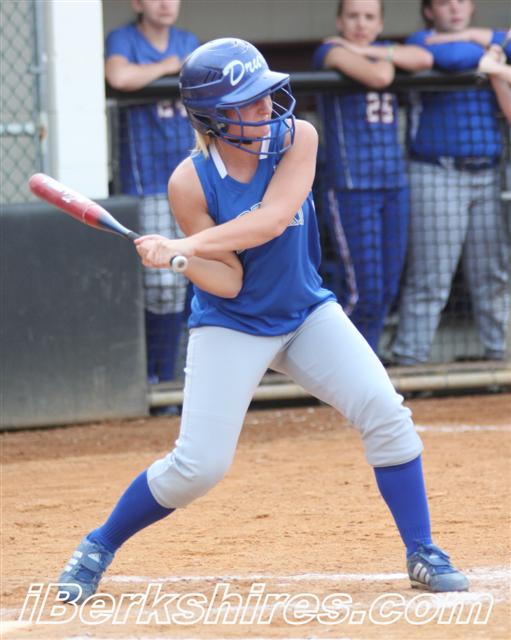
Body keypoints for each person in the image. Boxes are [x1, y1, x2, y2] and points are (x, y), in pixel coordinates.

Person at [57, 38, 468, 604]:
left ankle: (422, 550)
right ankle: (99, 544)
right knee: (198, 468)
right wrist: (180, 260)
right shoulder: (190, 182)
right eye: (246, 102)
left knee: (386, 413)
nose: (264, 108)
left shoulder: (299, 137)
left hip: (305, 313)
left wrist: (185, 243)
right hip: (232, 325)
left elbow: (274, 219)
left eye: (265, 94)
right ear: (212, 118)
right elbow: (230, 281)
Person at [391, 0, 510, 365]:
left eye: (462, 1)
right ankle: (410, 360)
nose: (455, 8)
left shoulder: (483, 41)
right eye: (444, 2)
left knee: (493, 274)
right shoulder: (420, 41)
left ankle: (499, 357)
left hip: (488, 174)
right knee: (431, 276)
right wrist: (492, 47)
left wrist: (479, 39)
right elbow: (457, 59)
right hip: (436, 171)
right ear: (429, 11)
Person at [312, 0, 432, 356]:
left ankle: (369, 366)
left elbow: (423, 58)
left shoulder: (378, 50)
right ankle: (330, 364)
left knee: (387, 290)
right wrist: (381, 56)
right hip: (351, 186)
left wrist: (374, 51)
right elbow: (380, 77)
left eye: (369, 17)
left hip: (393, 184)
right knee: (362, 291)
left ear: (380, 24)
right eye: (352, 16)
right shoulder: (330, 51)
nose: (360, 24)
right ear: (339, 21)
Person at [105, 0, 199, 397]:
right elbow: (120, 76)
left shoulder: (188, 40)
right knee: (160, 284)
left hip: (190, 178)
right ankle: (155, 378)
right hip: (147, 181)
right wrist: (167, 67)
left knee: (192, 277)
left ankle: (176, 379)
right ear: (137, 3)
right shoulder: (124, 39)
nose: (165, 4)